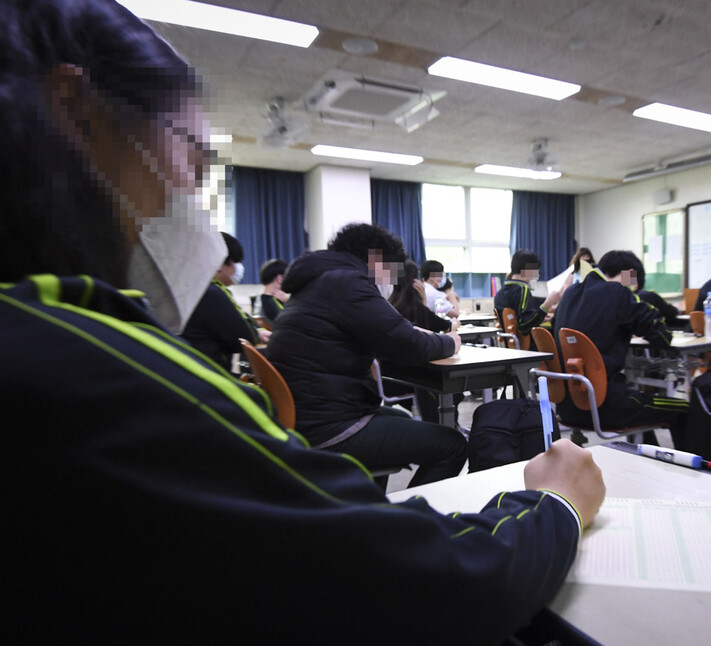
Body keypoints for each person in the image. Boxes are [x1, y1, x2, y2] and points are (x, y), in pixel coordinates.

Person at [1, 2, 606, 642]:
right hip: (338, 428)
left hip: (315, 424)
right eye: (193, 157)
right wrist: (555, 504)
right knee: (444, 447)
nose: (195, 192)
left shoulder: (43, 333)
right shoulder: (95, 363)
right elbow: (436, 585)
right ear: (77, 111)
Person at [267, 224, 469, 487]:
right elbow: (408, 344)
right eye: (392, 269)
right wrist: (450, 343)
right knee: (452, 444)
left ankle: (373, 507)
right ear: (376, 258)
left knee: (399, 417)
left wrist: (411, 333)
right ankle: (406, 522)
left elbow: (389, 331)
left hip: (307, 416)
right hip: (330, 426)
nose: (392, 281)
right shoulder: (347, 282)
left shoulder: (319, 281)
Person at [554, 250, 689, 433]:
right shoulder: (617, 292)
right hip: (607, 408)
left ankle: (644, 454)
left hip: (567, 407)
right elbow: (663, 336)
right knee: (684, 408)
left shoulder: (569, 294)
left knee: (641, 402)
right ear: (629, 276)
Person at [181, 231, 266, 371]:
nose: (238, 268)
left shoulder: (190, 287)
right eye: (235, 262)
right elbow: (244, 337)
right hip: (211, 374)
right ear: (220, 262)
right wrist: (255, 333)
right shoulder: (212, 293)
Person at [389, 259, 461, 423]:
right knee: (451, 381)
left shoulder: (387, 305)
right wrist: (422, 302)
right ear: (416, 281)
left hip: (389, 378)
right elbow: (449, 326)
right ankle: (448, 427)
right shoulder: (417, 307)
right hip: (413, 380)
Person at [493, 249, 567, 342]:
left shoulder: (501, 293)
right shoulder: (523, 289)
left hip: (512, 346)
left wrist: (540, 316)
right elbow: (524, 327)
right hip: (527, 347)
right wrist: (547, 304)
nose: (537, 275)